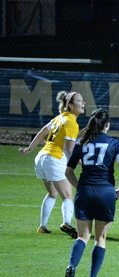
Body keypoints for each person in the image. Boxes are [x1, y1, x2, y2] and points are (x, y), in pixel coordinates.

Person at [63, 108, 119, 277]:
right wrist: (118, 191)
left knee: (82, 236)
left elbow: (68, 172)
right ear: (107, 125)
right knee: (100, 238)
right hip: (105, 193)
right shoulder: (116, 144)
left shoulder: (81, 143)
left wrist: (80, 187)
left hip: (85, 192)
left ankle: (71, 266)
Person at [19, 90, 86, 238]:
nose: (83, 103)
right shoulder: (71, 122)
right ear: (70, 105)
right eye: (79, 101)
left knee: (52, 193)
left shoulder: (59, 118)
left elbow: (43, 131)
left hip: (41, 157)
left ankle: (42, 227)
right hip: (54, 159)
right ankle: (66, 223)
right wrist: (82, 164)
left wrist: (30, 148)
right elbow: (70, 150)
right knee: (68, 196)